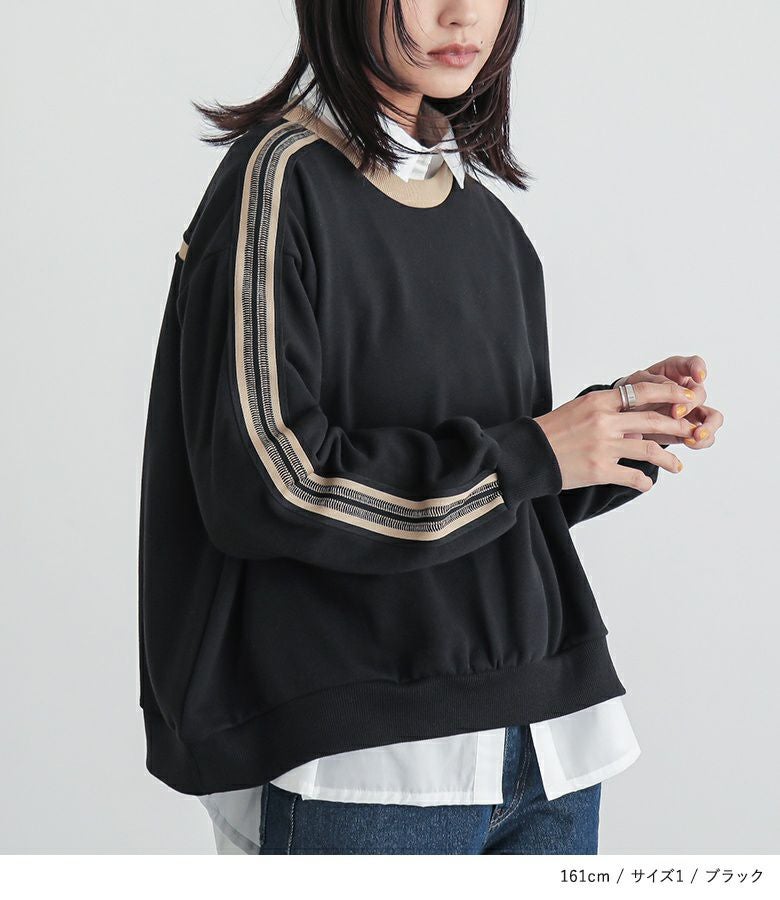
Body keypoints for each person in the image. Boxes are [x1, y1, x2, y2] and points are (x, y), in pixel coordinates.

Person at [138, 0, 722, 855]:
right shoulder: (277, 180)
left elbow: (493, 500)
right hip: (369, 761)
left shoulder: (490, 225)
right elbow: (269, 484)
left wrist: (608, 433)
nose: (461, 15)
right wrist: (535, 453)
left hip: (551, 746)